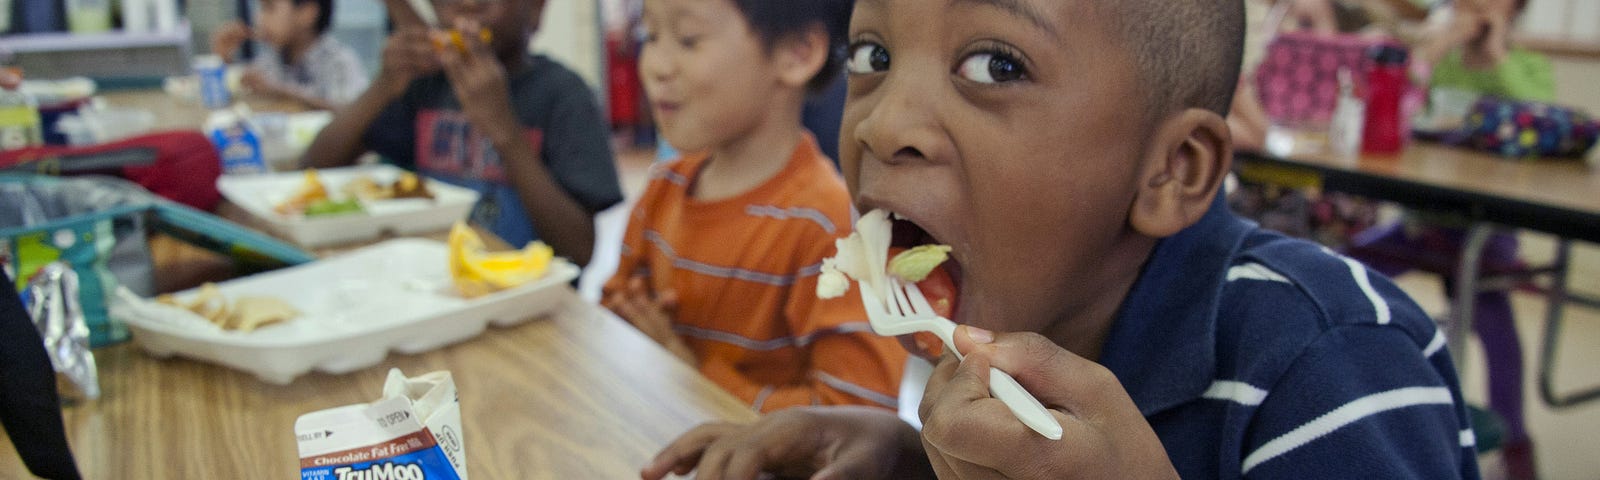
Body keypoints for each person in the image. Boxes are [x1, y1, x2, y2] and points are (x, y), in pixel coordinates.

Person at [640, 0, 1479, 478]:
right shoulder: (1018, 325)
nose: (884, 121)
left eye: (996, 66)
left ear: (1172, 171)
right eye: (874, 52)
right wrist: (905, 466)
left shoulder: (1327, 362)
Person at [601, 0, 906, 413]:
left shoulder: (830, 229)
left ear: (797, 53)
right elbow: (616, 309)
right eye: (650, 36)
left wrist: (689, 374)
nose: (656, 64)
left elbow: (856, 417)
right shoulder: (664, 185)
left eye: (688, 40)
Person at [1348, 1, 1549, 478]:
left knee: (1495, 325)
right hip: (1421, 222)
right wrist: (1433, 53)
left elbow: (1535, 116)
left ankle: (1515, 439)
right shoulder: (1444, 61)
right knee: (1344, 268)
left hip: (1483, 231)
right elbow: (1399, 105)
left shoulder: (1527, 66)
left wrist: (1496, 51)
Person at [302, 0, 622, 267]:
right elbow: (313, 167)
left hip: (531, 304)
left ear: (537, 9)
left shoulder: (566, 97)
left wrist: (505, 131)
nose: (468, 4)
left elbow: (579, 251)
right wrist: (383, 86)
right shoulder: (425, 83)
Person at [211, 0, 370, 110]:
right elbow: (241, 98)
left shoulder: (339, 61)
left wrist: (281, 92)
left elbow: (352, 112)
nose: (258, 18)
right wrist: (225, 59)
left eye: (269, 8)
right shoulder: (272, 57)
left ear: (307, 13)